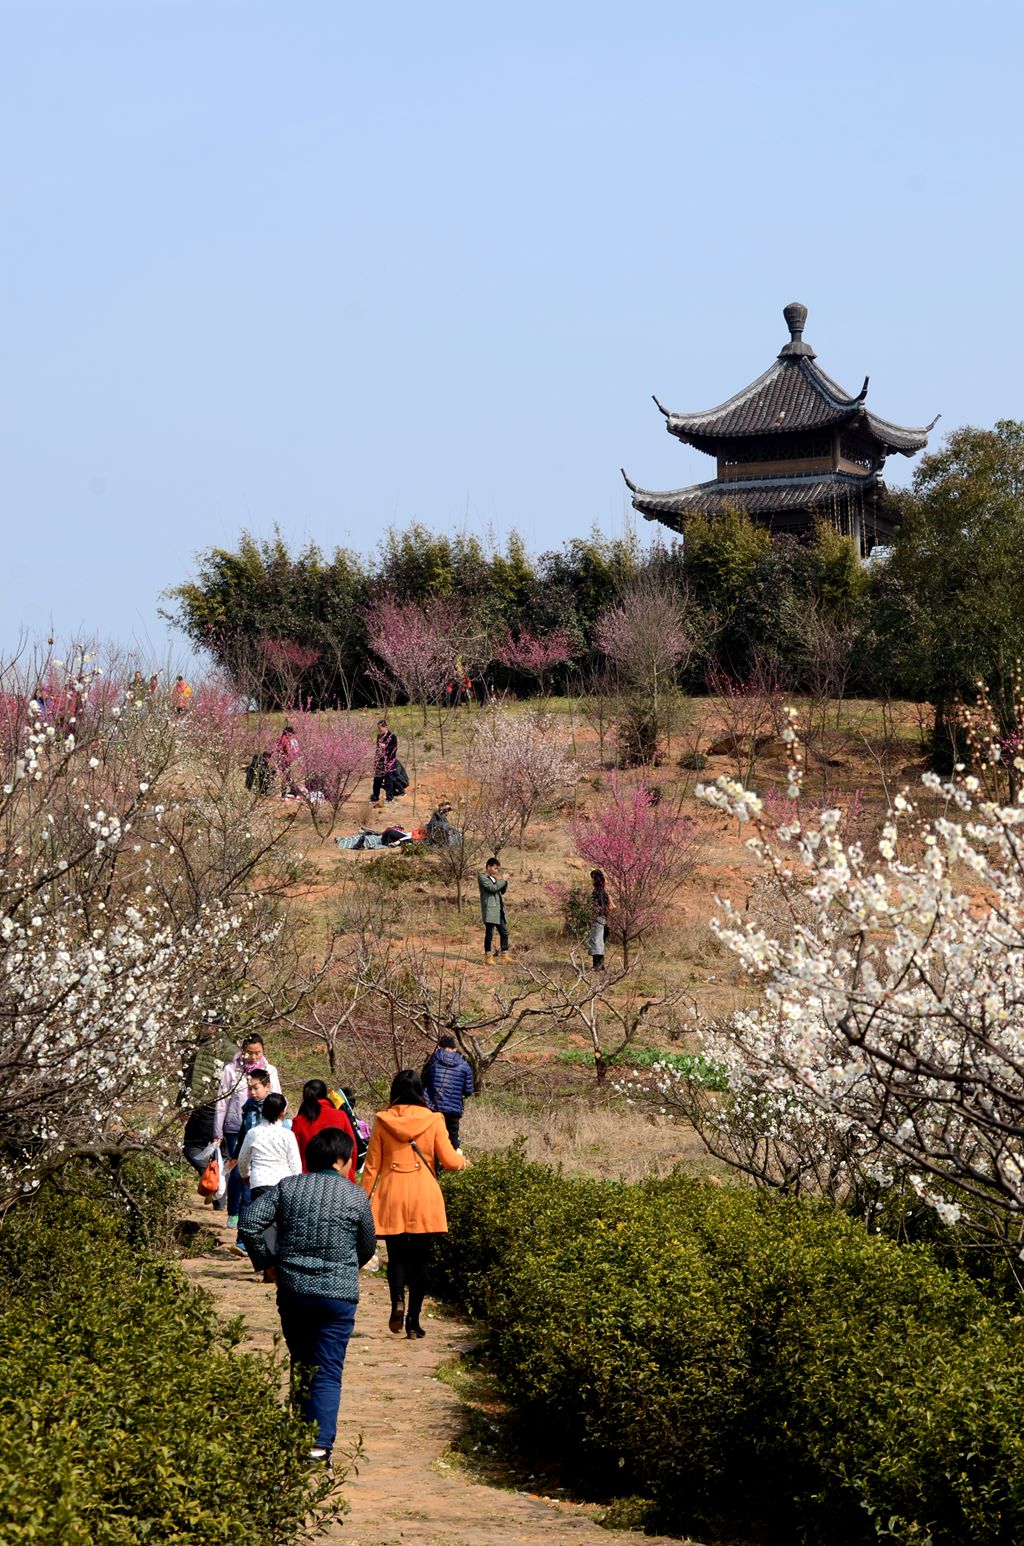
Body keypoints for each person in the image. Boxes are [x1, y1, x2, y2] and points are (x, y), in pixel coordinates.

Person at [240, 1128, 376, 1464]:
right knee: (328, 1369)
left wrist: (268, 1264)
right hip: (338, 1298)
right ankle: (318, 1446)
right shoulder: (355, 1195)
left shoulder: (288, 1187)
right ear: (340, 1161)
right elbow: (367, 1244)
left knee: (301, 1363)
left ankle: (297, 1435)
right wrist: (347, 1267)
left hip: (294, 1291)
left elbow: (249, 1222)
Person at [360, 1069, 468, 1340]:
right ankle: (414, 1322)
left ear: (394, 1091)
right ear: (421, 1091)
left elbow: (371, 1166)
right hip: (423, 1194)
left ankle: (397, 1301)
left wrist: (362, 1201)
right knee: (420, 1261)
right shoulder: (433, 1120)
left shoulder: (383, 1121)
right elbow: (449, 1161)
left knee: (396, 1257)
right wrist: (463, 1161)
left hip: (392, 1194)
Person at [214, 1035, 281, 1226]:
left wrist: (277, 1125)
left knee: (252, 1170)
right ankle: (233, 1212)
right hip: (236, 1126)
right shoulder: (231, 1069)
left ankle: (246, 1214)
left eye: (257, 1052)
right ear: (242, 1050)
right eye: (249, 1052)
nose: (253, 1057)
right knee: (237, 1170)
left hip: (262, 1127)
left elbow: (278, 1098)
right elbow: (221, 1101)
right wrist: (217, 1132)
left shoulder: (269, 1071)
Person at [237, 1092, 301, 1199]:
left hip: (259, 1183)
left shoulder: (253, 1133)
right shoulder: (288, 1135)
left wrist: (245, 1176)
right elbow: (295, 1165)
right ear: (283, 1112)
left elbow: (242, 1160)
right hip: (284, 1184)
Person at [291, 1079, 357, 1179]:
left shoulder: (299, 1121)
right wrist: (350, 1173)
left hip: (309, 1179)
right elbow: (353, 1148)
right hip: (340, 1176)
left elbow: (295, 1154)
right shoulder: (340, 1115)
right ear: (325, 1094)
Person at [421, 1034, 474, 1150]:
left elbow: (422, 1081)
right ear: (455, 1048)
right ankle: (451, 1165)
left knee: (431, 1141)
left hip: (432, 1107)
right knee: (451, 1142)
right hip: (453, 1110)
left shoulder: (432, 1060)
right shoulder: (465, 1064)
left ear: (439, 1047)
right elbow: (468, 1091)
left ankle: (432, 1166)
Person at [478, 857, 509, 961]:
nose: (496, 871)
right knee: (489, 933)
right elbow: (493, 888)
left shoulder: (495, 879)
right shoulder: (482, 878)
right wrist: (503, 880)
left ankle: (505, 956)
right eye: (495, 868)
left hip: (499, 909)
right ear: (488, 867)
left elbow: (501, 891)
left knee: (504, 932)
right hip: (490, 910)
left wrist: (505, 882)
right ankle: (488, 956)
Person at [372, 719, 398, 806]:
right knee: (377, 780)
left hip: (389, 761)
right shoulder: (379, 736)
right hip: (380, 762)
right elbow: (377, 749)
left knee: (388, 780)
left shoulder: (392, 736)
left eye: (381, 728)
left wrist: (385, 747)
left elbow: (394, 748)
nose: (379, 730)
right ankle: (375, 797)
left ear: (385, 727)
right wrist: (376, 760)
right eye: (378, 728)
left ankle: (389, 798)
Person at [589, 868, 610, 970]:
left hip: (598, 917)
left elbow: (596, 906)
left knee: (595, 940)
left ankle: (597, 965)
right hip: (603, 917)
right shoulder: (603, 890)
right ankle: (600, 964)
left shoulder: (597, 891)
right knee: (600, 940)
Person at [275, 723, 301, 798]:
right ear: (287, 732)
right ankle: (288, 794)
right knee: (286, 777)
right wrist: (290, 755)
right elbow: (284, 749)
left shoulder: (283, 739)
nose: (292, 735)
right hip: (285, 761)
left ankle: (293, 792)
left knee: (287, 777)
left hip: (285, 760)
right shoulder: (284, 739)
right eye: (291, 733)